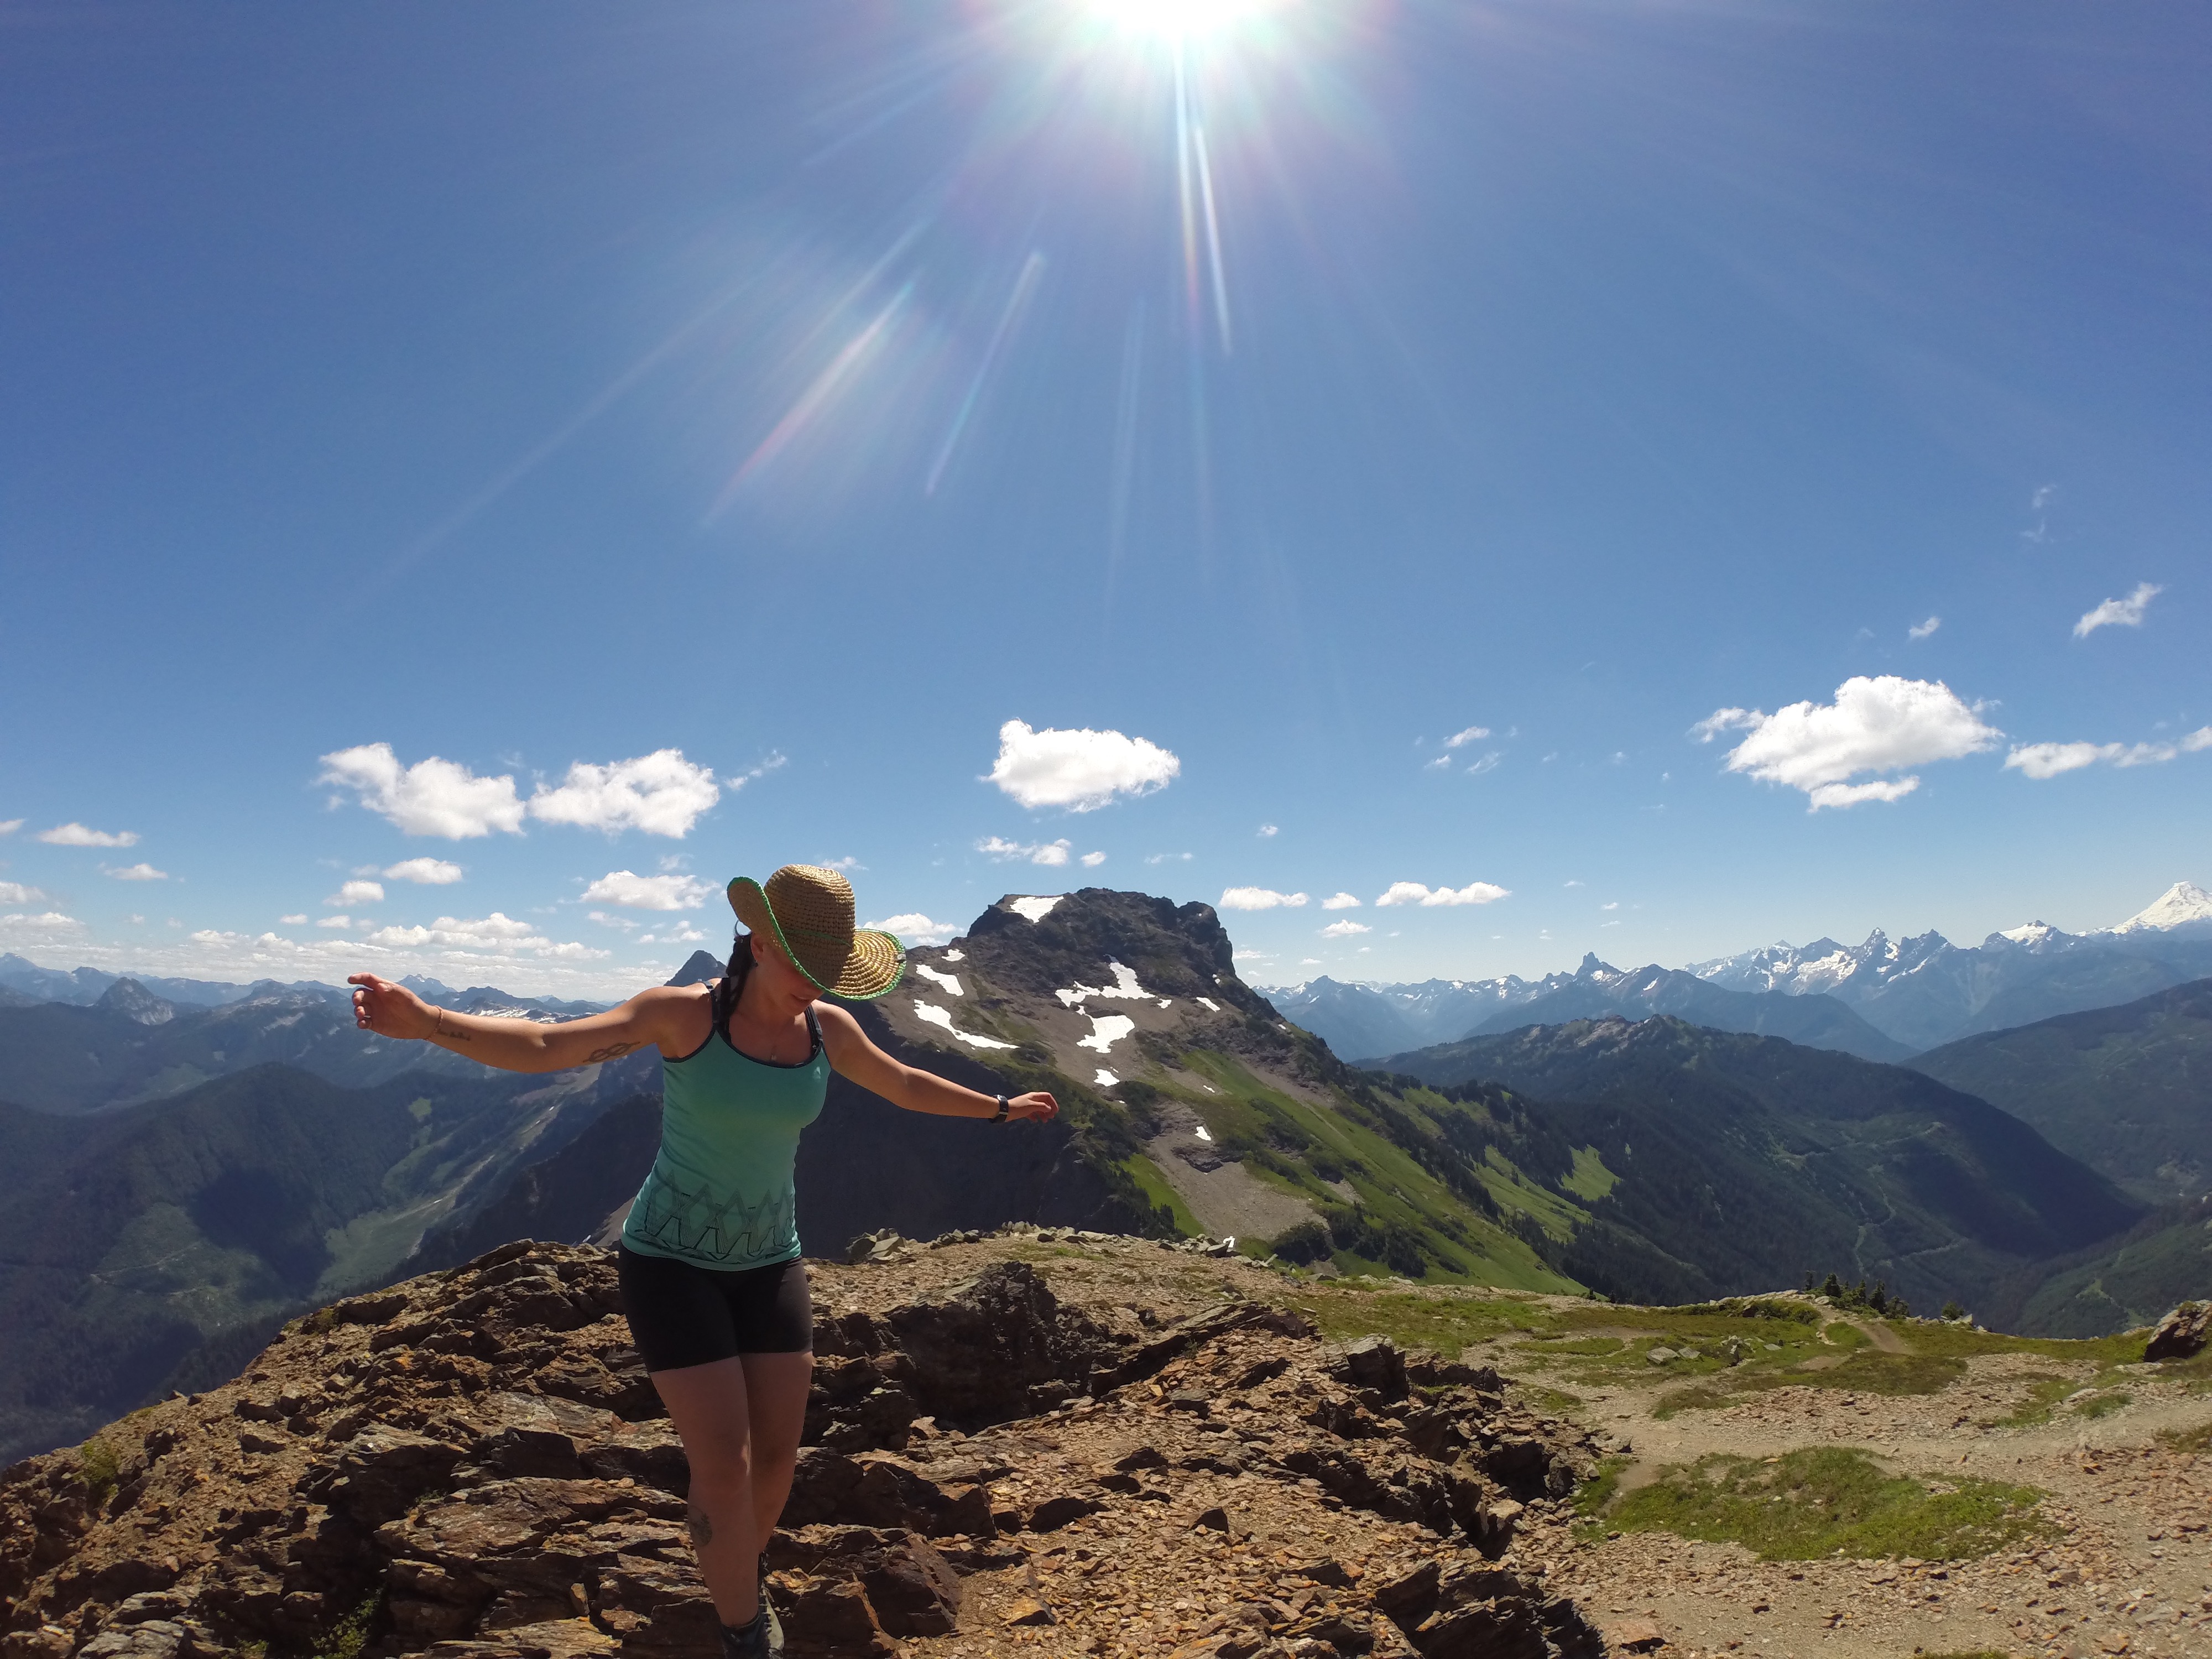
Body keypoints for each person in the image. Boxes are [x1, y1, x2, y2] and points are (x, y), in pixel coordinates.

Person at [349, 864, 1058, 1659]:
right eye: (805, 962)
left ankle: (737, 1569)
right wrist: (429, 1022)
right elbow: (550, 1046)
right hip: (670, 1263)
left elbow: (902, 1084)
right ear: (760, 941)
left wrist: (999, 1109)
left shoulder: (827, 1030)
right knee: (725, 1461)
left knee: (778, 1460)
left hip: (770, 1262)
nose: (817, 982)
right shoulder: (683, 1016)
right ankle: (743, 1633)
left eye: (829, 967)